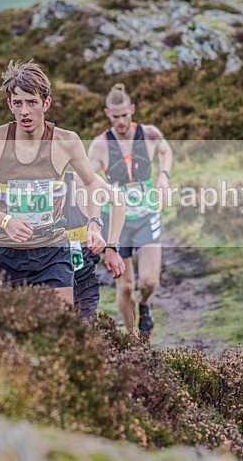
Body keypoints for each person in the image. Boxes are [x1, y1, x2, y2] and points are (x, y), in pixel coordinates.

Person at [0, 60, 126, 307]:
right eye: (18, 103)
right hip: (5, 251)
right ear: (9, 105)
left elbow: (91, 184)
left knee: (62, 323)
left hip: (53, 249)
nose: (24, 111)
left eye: (32, 102)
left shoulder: (66, 141)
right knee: (12, 329)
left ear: (46, 103)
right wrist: (4, 220)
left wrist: (95, 225)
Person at [88, 83, 173, 335]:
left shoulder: (148, 134)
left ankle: (145, 304)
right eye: (115, 117)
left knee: (148, 281)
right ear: (107, 114)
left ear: (132, 109)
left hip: (147, 215)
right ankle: (132, 336)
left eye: (125, 115)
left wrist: (164, 176)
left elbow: (165, 150)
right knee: (125, 287)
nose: (121, 121)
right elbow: (88, 181)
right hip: (116, 220)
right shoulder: (99, 145)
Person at [64, 170, 104, 318]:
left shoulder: (78, 181)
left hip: (83, 276)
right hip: (48, 276)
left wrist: (113, 246)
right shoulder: (30, 188)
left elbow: (118, 198)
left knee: (85, 331)